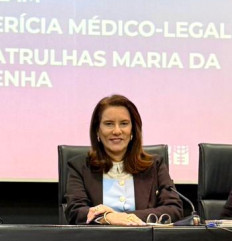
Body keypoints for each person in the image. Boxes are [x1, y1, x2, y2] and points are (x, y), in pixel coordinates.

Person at [65, 94, 182, 225]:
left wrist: (122, 218)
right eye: (109, 124)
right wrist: (106, 218)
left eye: (124, 124)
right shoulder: (80, 167)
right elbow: (75, 211)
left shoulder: (154, 165)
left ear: (133, 129)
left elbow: (174, 208)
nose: (117, 131)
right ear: (97, 129)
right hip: (98, 238)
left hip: (143, 237)